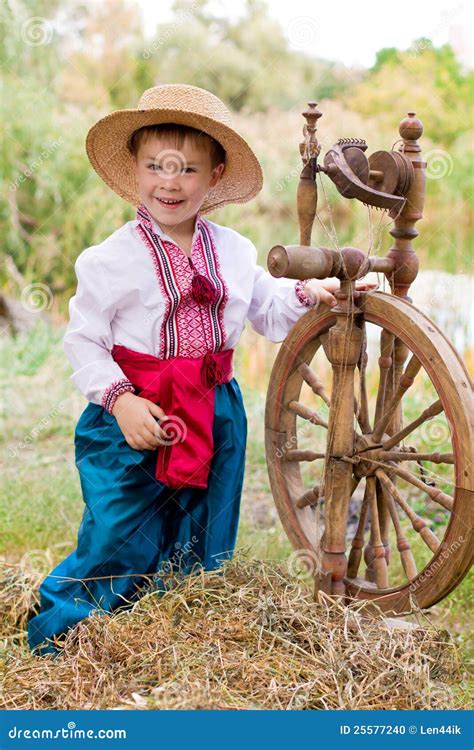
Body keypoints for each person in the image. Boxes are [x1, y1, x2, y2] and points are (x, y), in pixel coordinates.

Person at [27, 84, 371, 656]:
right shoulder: (110, 259)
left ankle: (172, 626)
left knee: (202, 527)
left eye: (188, 168)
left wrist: (310, 292)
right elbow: (84, 342)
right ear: (135, 171)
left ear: (214, 177)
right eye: (157, 166)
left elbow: (266, 308)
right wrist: (120, 400)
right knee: (120, 529)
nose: (171, 181)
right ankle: (65, 629)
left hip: (213, 408)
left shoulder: (234, 250)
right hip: (131, 412)